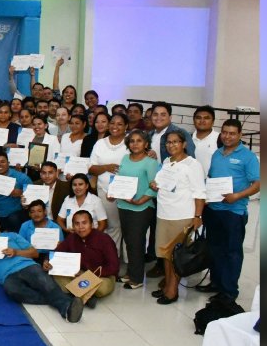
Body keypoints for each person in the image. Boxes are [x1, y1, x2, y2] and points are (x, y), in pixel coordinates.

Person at [0, 216, 84, 322]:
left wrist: (16, 252)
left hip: (26, 266)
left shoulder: (12, 236)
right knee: (12, 291)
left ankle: (67, 310)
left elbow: (34, 253)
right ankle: (68, 298)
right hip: (7, 277)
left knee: (44, 281)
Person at [200, 120, 260, 303]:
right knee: (214, 248)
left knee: (232, 252)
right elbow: (211, 178)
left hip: (234, 211)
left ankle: (229, 291)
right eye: (224, 132)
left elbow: (258, 183)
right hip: (213, 209)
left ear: (240, 135)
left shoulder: (248, 157)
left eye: (232, 133)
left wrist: (238, 195)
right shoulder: (217, 154)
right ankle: (216, 283)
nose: (227, 136)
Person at [148, 130, 206, 304]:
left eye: (175, 142)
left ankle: (172, 291)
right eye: (168, 142)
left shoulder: (192, 165)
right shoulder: (167, 162)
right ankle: (167, 286)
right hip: (164, 213)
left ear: (184, 144)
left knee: (176, 255)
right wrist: (155, 185)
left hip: (181, 215)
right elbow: (164, 184)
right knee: (165, 254)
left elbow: (199, 193)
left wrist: (197, 216)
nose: (171, 145)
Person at [115, 130, 158, 289]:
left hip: (142, 208)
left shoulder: (151, 162)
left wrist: (141, 200)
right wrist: (114, 193)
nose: (135, 144)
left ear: (146, 144)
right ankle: (130, 273)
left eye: (139, 141)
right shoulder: (125, 158)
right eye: (132, 141)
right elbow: (120, 180)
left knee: (136, 242)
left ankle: (137, 278)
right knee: (128, 241)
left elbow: (155, 186)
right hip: (123, 205)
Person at [48, 210, 119, 307]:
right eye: (77, 224)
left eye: (84, 223)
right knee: (56, 273)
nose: (80, 227)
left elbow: (113, 267)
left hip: (102, 275)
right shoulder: (72, 238)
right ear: (73, 226)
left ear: (92, 224)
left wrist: (88, 275)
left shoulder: (104, 239)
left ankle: (74, 295)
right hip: (79, 273)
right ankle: (87, 297)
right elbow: (57, 252)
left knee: (102, 288)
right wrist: (47, 261)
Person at [88, 113, 129, 255]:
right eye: (112, 123)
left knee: (123, 227)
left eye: (119, 124)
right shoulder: (100, 144)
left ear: (126, 127)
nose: (115, 126)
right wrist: (106, 167)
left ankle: (120, 257)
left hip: (127, 193)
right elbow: (91, 168)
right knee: (110, 225)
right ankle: (111, 255)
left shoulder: (131, 143)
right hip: (104, 191)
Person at [0, 153, 31, 232]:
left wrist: (22, 193)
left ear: (8, 163)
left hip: (17, 214)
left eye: (3, 162)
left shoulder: (21, 177)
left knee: (13, 218)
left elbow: (34, 196)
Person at [191, 105, 220, 176]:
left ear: (213, 122)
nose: (202, 121)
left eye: (206, 118)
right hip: (190, 183)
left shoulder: (220, 138)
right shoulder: (187, 138)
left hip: (212, 183)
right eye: (198, 118)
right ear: (193, 120)